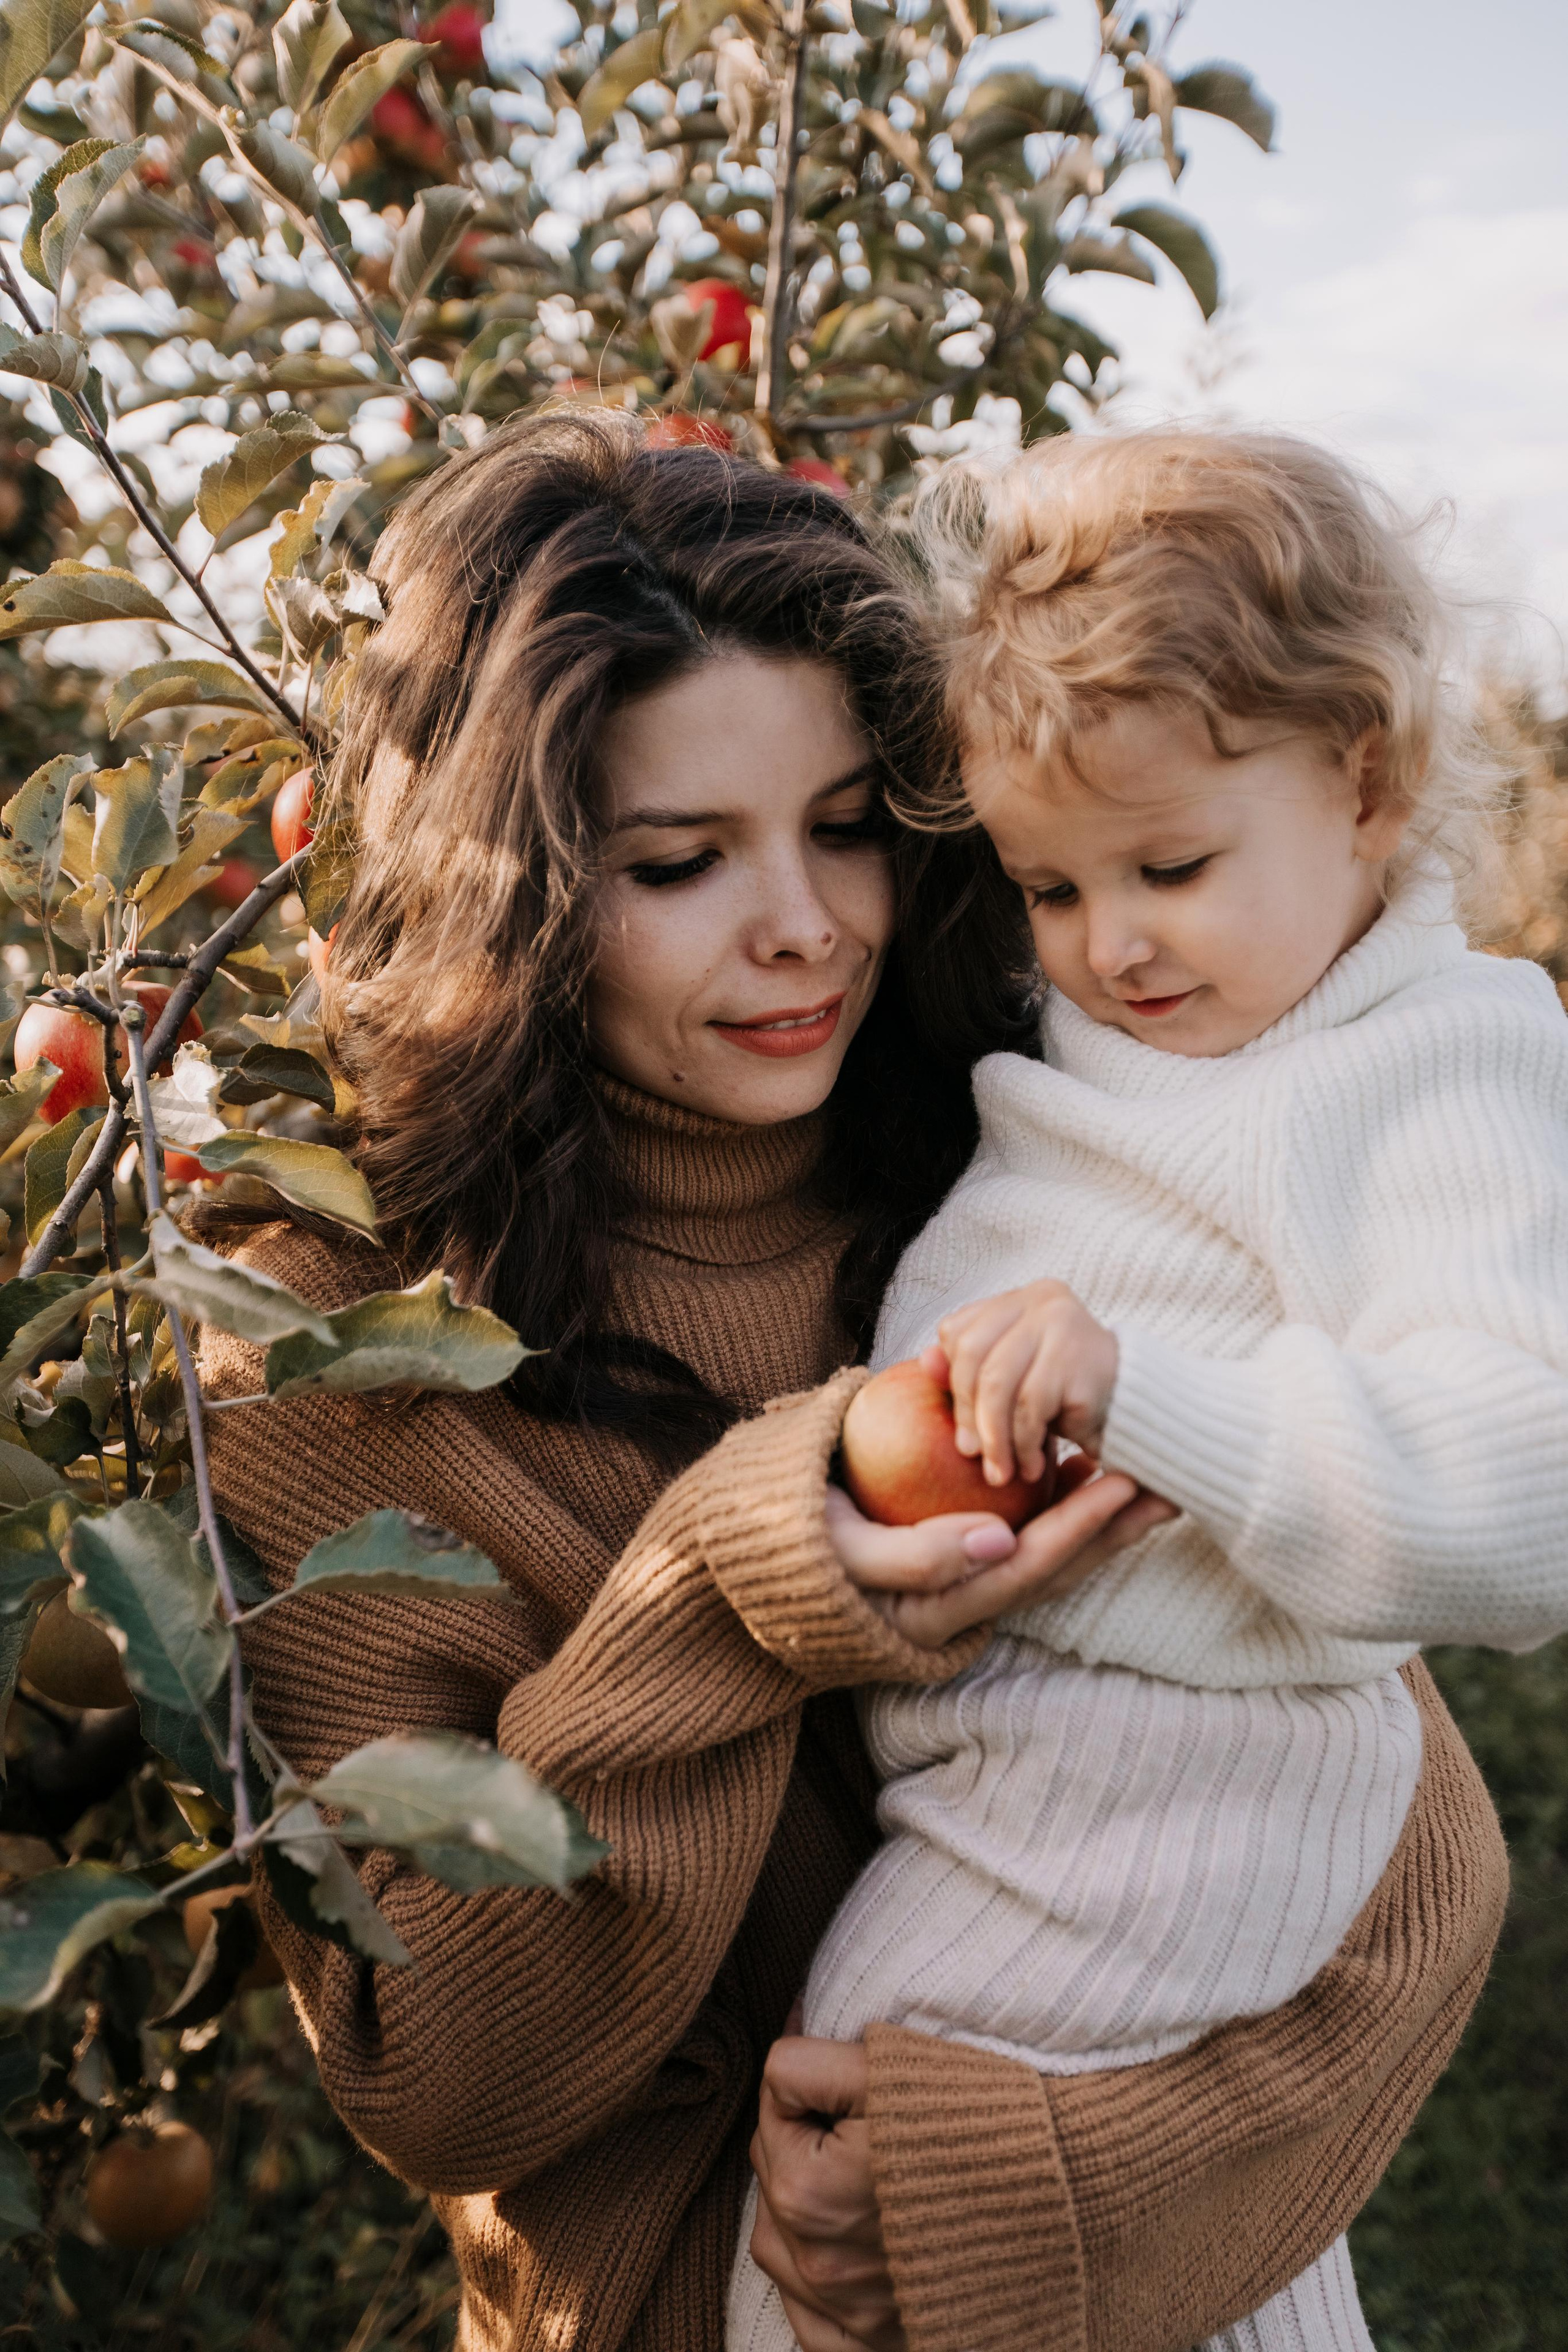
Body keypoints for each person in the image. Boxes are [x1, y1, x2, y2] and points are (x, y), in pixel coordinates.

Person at [197, 413, 1508, 2352]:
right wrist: (735, 1591)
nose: (804, 925)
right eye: (677, 859)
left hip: (1145, 2281)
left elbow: (1407, 1860)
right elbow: (438, 2069)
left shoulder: (1018, 1184)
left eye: (846, 830)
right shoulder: (338, 1356)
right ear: (520, 888)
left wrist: (1032, 2191)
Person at [727, 429, 1567, 2352]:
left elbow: (1531, 1494)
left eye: (1169, 867)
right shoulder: (1143, 1025)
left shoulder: (1429, 1063)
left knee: (833, 2252)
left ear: (1364, 782)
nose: (1106, 945)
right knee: (1189, 2287)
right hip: (1017, 1776)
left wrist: (1145, 1394)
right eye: (1045, 887)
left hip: (1170, 1787)